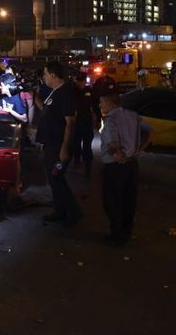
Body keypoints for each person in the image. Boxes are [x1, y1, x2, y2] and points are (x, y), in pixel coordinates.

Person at [99, 92, 152, 246]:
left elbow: (112, 145)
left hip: (115, 166)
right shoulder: (133, 115)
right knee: (129, 200)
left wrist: (119, 155)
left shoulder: (110, 120)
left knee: (111, 201)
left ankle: (117, 236)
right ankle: (126, 232)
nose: (100, 105)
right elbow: (150, 131)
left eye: (101, 102)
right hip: (132, 164)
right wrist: (139, 150)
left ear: (109, 102)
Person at [35, 61, 82, 226]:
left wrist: (64, 149)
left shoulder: (65, 93)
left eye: (46, 74)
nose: (44, 77)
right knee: (53, 179)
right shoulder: (54, 93)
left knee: (57, 178)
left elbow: (70, 122)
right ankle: (60, 211)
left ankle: (73, 212)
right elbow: (48, 112)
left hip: (58, 146)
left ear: (53, 75)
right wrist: (35, 98)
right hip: (50, 144)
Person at [73, 74, 94, 177]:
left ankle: (88, 167)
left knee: (87, 144)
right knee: (76, 143)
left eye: (83, 81)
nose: (81, 84)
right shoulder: (72, 91)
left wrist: (97, 117)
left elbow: (93, 104)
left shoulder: (89, 90)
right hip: (76, 122)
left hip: (87, 121)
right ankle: (76, 160)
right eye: (79, 82)